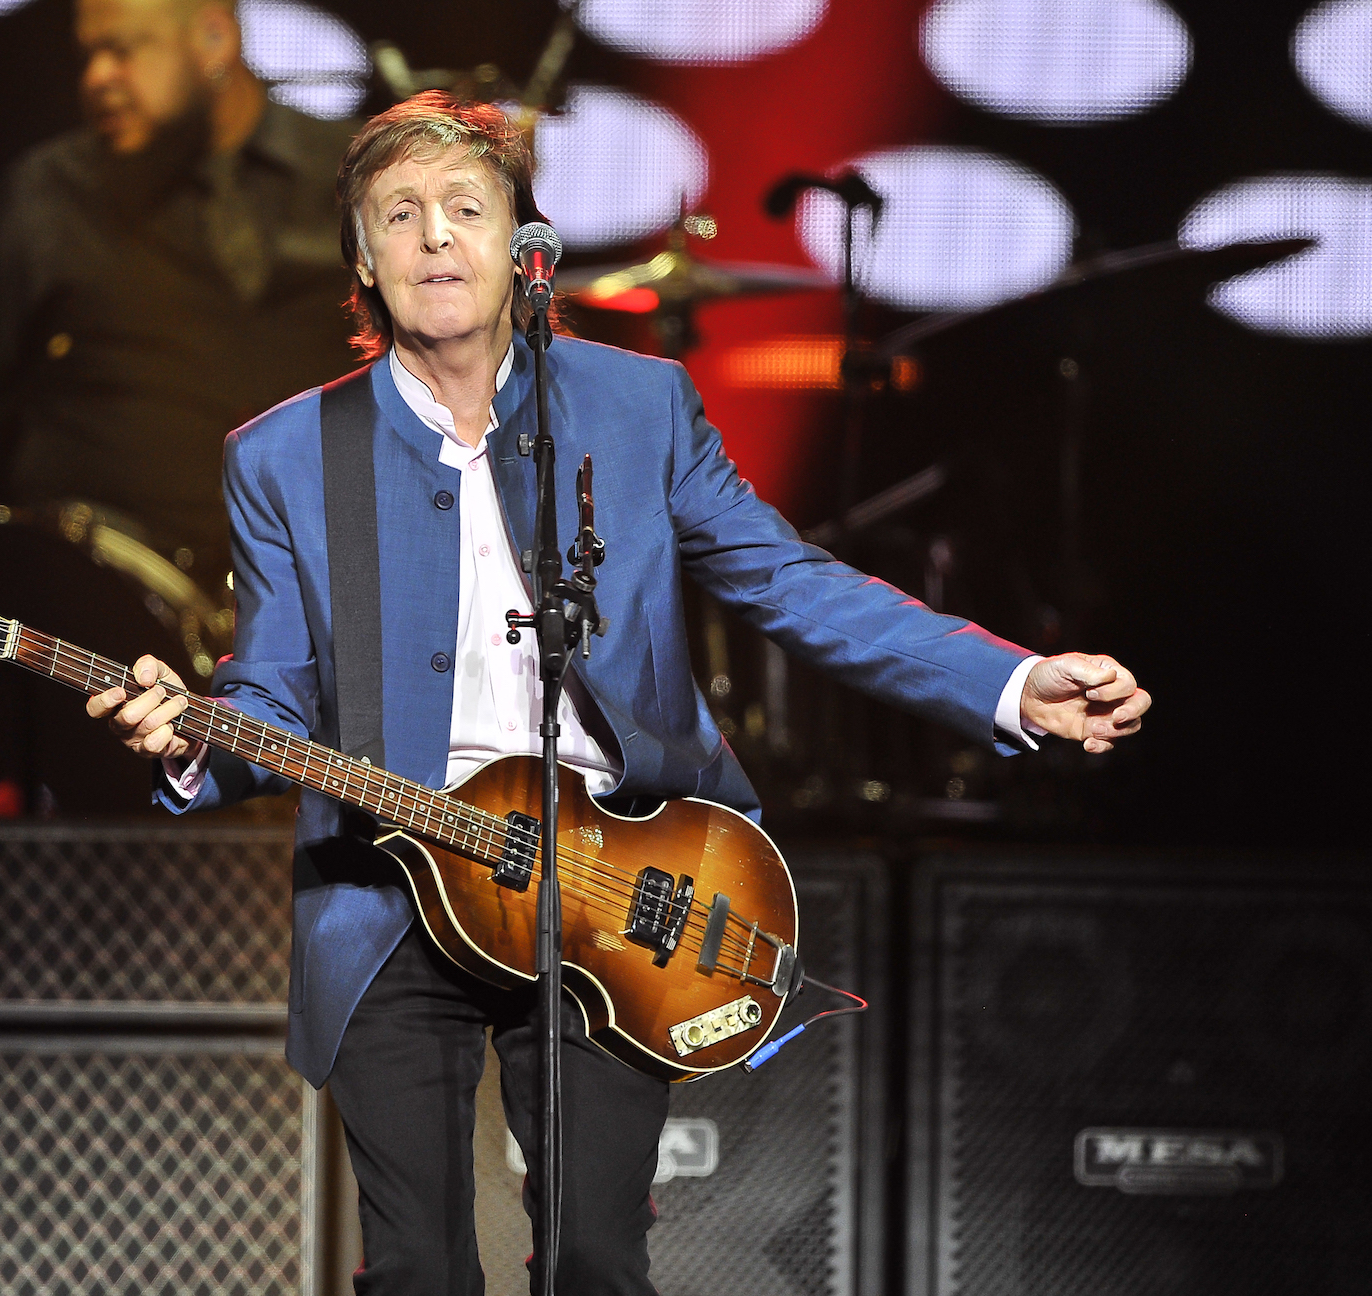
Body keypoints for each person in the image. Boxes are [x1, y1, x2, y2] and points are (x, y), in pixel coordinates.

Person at [89, 93, 1151, 1295]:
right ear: (361, 261)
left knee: (594, 1261)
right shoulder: (282, 455)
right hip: (388, 890)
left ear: (520, 247)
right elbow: (270, 696)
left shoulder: (635, 411)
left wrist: (1007, 680)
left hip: (608, 887)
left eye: (465, 209)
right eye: (399, 215)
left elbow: (790, 583)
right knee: (417, 1271)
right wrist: (192, 739)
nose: (435, 237)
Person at [0, 0, 360, 580]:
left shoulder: (365, 181)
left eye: (122, 50)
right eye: (88, 56)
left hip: (327, 593)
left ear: (214, 39)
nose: (95, 78)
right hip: (79, 591)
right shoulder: (50, 194)